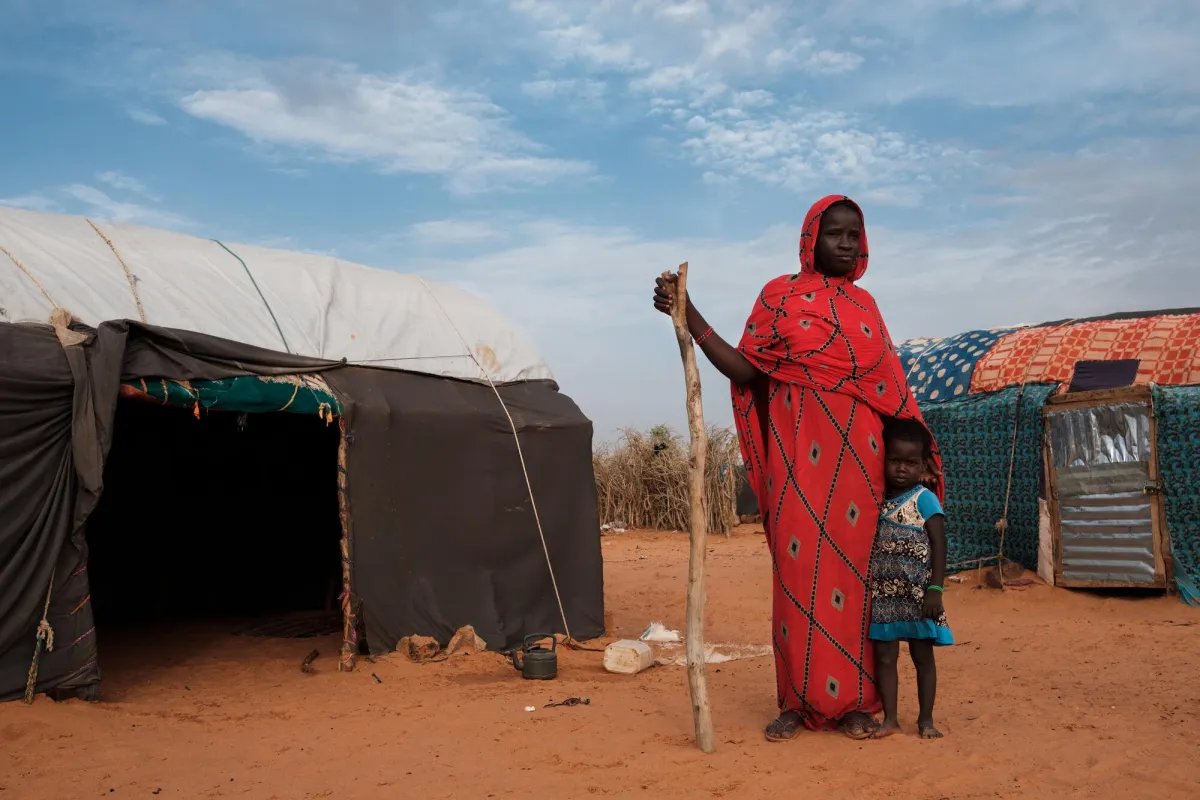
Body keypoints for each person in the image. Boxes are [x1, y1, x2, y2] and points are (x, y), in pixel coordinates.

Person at [653, 195, 942, 742]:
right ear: (811, 239)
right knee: (796, 577)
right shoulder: (778, 297)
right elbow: (745, 368)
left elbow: (891, 393)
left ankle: (857, 704)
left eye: (855, 234)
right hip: (796, 467)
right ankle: (796, 701)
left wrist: (921, 461)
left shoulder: (866, 307)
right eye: (835, 233)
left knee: (857, 581)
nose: (847, 244)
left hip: (860, 466)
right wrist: (688, 314)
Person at [868, 418, 953, 740]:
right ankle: (890, 719)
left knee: (922, 657)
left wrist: (935, 590)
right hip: (885, 594)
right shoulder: (876, 499)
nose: (901, 468)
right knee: (885, 658)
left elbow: (940, 547)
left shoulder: (924, 499)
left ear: (923, 465)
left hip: (919, 595)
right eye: (894, 460)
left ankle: (926, 720)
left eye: (911, 462)